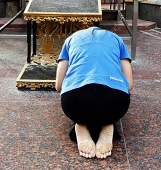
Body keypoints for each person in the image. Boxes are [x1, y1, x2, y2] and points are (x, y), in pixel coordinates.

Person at [55, 26, 133, 159]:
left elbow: (58, 85)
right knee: (113, 98)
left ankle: (80, 123)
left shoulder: (70, 39)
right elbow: (129, 84)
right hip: (115, 103)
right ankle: (108, 123)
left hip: (74, 103)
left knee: (81, 102)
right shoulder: (117, 39)